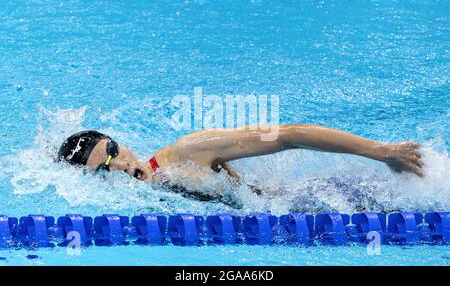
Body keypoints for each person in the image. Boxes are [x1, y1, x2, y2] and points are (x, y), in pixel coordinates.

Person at [57, 124, 423, 205]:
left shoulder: (187, 152)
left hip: (318, 203)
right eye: (104, 168)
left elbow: (288, 135)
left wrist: (382, 151)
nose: (119, 164)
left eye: (114, 150)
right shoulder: (141, 200)